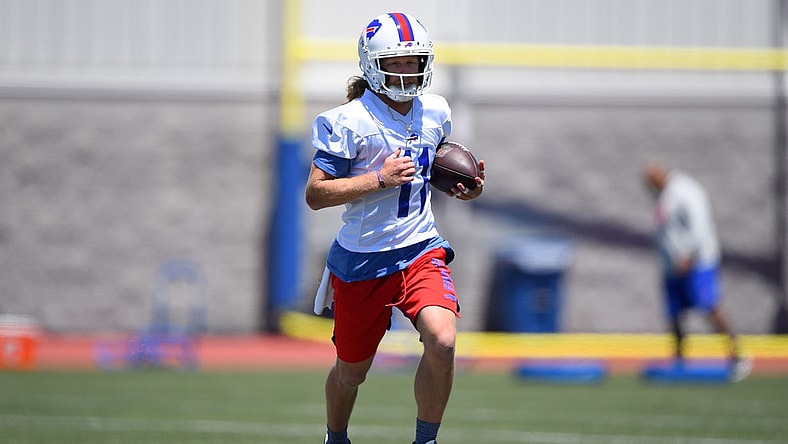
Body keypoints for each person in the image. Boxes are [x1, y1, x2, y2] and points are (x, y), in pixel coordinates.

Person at [305, 12, 485, 444]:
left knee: (443, 341)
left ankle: (426, 440)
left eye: (413, 61)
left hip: (420, 248)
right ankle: (336, 437)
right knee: (351, 372)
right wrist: (379, 179)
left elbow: (432, 171)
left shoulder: (436, 111)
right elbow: (315, 194)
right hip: (363, 259)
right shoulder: (346, 121)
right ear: (372, 65)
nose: (406, 70)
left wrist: (463, 188)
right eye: (396, 62)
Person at [643, 163, 751, 381]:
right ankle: (679, 360)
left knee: (709, 305)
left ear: (661, 175)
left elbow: (699, 225)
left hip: (697, 263)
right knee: (674, 313)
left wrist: (689, 256)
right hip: (672, 265)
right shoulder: (662, 196)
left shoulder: (685, 191)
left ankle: (737, 354)